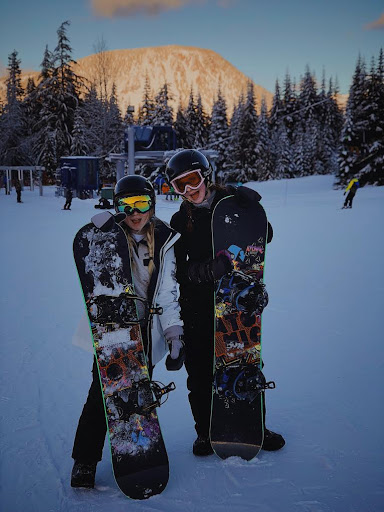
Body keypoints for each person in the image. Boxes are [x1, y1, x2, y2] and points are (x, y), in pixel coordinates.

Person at [165, 149, 285, 456]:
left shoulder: (229, 204)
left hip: (236, 301)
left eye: (192, 180)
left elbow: (263, 237)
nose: (190, 191)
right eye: (181, 186)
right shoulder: (179, 221)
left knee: (244, 361)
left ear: (205, 175)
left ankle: (253, 424)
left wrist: (252, 211)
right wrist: (206, 270)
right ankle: (205, 432)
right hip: (198, 304)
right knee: (201, 371)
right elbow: (178, 272)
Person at [71, 175, 185, 488]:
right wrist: (97, 235)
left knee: (137, 394)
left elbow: (168, 292)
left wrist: (175, 335)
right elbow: (92, 272)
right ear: (118, 206)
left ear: (153, 203)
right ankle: (84, 460)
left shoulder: (165, 240)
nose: (135, 212)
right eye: (127, 204)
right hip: (111, 331)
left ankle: (139, 450)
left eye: (142, 203)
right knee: (102, 392)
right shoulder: (109, 234)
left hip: (146, 332)